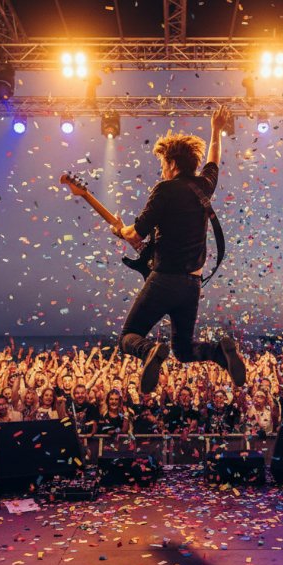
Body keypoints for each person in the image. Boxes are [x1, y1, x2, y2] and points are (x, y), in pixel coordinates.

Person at [112, 105, 246, 394]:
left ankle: (148, 351)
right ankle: (220, 353)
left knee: (128, 337)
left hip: (165, 279)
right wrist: (215, 129)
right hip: (192, 285)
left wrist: (122, 230)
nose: (162, 169)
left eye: (163, 164)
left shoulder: (165, 189)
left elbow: (136, 232)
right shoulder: (204, 187)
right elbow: (214, 160)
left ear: (172, 163)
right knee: (184, 350)